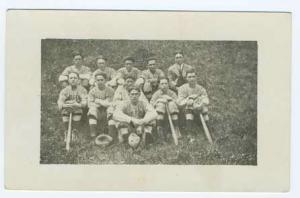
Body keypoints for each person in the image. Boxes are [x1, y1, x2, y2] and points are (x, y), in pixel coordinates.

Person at [57, 71, 88, 142]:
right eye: (71, 78)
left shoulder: (82, 90)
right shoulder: (65, 90)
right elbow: (60, 102)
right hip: (67, 108)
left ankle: (75, 132)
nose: (73, 79)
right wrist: (65, 105)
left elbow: (84, 102)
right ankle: (67, 132)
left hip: (78, 108)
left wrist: (78, 105)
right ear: (68, 80)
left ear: (78, 80)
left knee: (78, 111)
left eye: (75, 78)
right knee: (65, 111)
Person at [177, 69, 209, 135]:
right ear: (186, 78)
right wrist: (188, 99)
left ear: (196, 77)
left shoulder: (200, 88)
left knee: (204, 108)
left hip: (199, 108)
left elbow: (206, 100)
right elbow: (180, 103)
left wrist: (199, 100)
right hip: (186, 111)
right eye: (189, 77)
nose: (192, 79)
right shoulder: (182, 88)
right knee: (189, 108)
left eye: (193, 76)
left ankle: (209, 129)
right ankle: (190, 133)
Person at [87, 71, 116, 141]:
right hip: (98, 111)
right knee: (92, 110)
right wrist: (103, 102)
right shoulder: (92, 91)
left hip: (107, 111)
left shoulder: (110, 90)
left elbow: (111, 104)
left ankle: (111, 135)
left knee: (111, 109)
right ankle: (93, 135)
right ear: (95, 81)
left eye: (102, 80)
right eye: (98, 80)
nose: (100, 82)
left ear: (105, 80)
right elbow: (90, 104)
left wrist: (98, 101)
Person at [150, 77, 180, 142]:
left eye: (166, 83)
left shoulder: (172, 93)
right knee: (160, 104)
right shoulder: (156, 94)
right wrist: (159, 100)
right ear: (159, 85)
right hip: (160, 114)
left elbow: (178, 103)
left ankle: (176, 130)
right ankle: (160, 133)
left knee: (172, 104)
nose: (164, 85)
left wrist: (170, 99)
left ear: (168, 84)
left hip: (171, 113)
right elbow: (151, 105)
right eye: (162, 84)